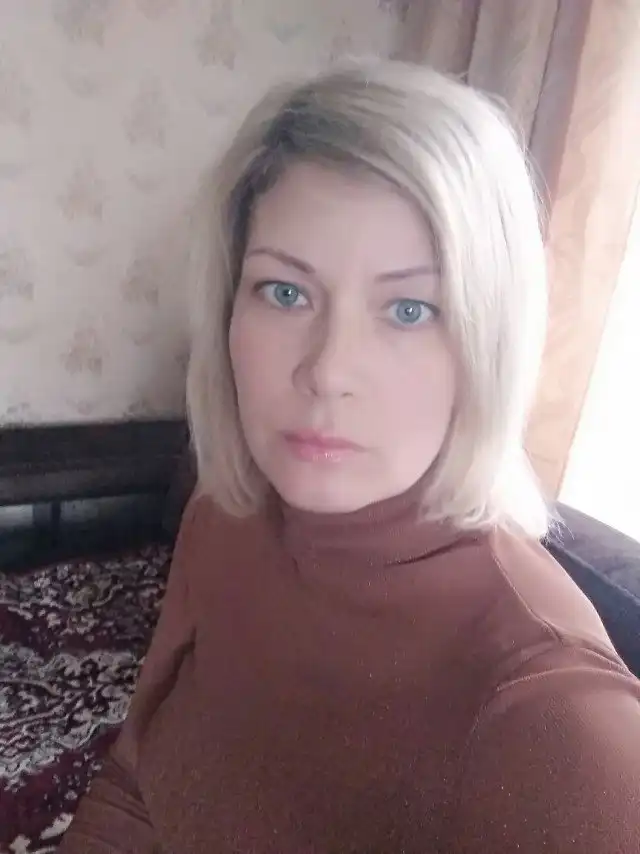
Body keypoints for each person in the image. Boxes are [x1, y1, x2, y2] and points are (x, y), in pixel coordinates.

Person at [60, 60, 640, 854]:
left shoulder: (558, 724)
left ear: (488, 343)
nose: (328, 370)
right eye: (285, 292)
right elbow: (136, 781)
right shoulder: (222, 515)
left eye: (409, 309)